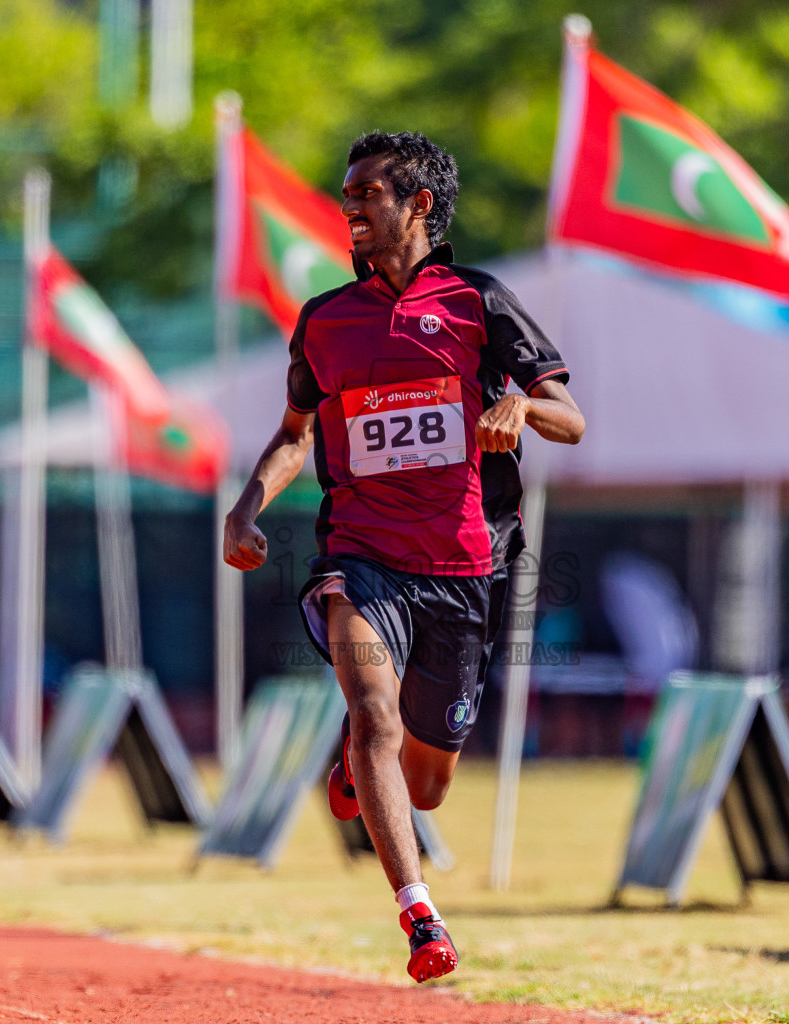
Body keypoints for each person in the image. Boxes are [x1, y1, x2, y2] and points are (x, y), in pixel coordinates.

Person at [223, 131, 584, 982]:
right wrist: (245, 507)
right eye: (345, 194)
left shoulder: (479, 301)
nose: (349, 206)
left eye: (367, 193)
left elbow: (571, 417)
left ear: (419, 204)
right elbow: (292, 436)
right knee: (374, 715)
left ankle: (356, 768)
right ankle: (420, 916)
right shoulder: (324, 320)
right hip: (359, 555)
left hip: (465, 567)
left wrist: (523, 413)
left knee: (425, 786)